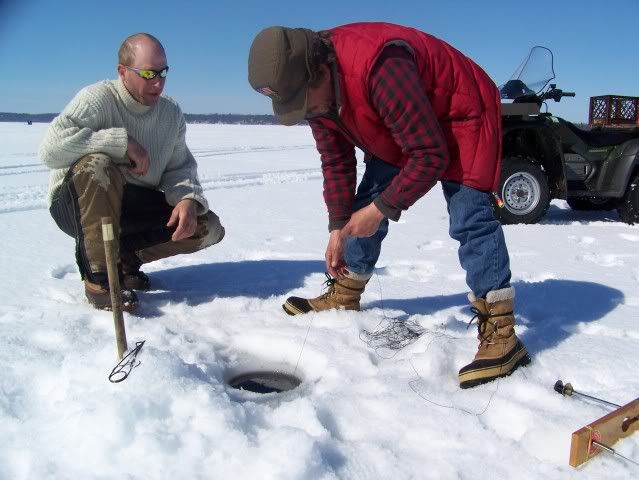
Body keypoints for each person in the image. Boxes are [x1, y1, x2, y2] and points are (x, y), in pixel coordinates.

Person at [248, 22, 530, 388]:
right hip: (406, 117)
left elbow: (429, 154)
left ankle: (502, 334)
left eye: (303, 100)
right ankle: (346, 292)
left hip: (463, 111)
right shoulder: (317, 93)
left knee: (468, 215)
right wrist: (338, 226)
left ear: (318, 69)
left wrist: (381, 209)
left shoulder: (381, 66)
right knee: (365, 200)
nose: (305, 110)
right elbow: (336, 161)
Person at [40, 33, 224, 312]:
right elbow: (50, 150)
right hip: (76, 204)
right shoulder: (98, 99)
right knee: (98, 164)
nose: (158, 82)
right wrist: (121, 143)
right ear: (122, 72)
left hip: (130, 203)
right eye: (148, 73)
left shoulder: (170, 113)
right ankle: (101, 279)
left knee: (207, 227)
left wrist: (187, 199)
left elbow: (179, 167)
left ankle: (124, 258)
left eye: (163, 73)